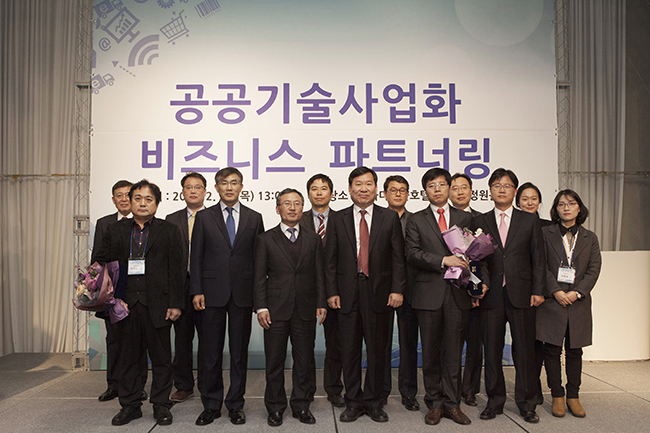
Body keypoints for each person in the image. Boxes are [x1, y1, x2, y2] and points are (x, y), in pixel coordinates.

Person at [95, 179, 185, 426]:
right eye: (137, 198)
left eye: (148, 199)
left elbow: (177, 269)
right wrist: (113, 298)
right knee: (129, 359)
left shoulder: (168, 230)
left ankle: (161, 404)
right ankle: (130, 405)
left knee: (161, 359)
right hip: (124, 305)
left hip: (159, 305)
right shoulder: (115, 230)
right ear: (130, 201)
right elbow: (101, 264)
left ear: (157, 203)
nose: (142, 203)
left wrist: (175, 303)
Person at [325, 166, 405, 423]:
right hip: (347, 292)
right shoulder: (337, 218)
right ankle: (353, 401)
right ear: (349, 189)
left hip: (379, 292)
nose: (363, 189)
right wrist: (332, 291)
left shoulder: (389, 217)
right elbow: (330, 260)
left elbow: (398, 258)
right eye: (358, 184)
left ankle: (373, 401)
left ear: (376, 189)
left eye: (368, 184)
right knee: (349, 350)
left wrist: (397, 289)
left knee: (378, 349)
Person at [190, 167, 264, 426]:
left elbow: (259, 260)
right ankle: (211, 405)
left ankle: (235, 404)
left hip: (243, 294)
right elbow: (196, 257)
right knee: (210, 353)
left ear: (242, 187)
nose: (229, 187)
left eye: (234, 183)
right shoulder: (204, 217)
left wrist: (258, 296)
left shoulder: (254, 218)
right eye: (224, 183)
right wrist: (196, 290)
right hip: (211, 294)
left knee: (239, 354)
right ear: (216, 187)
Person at [471, 168, 546, 424]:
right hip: (490, 295)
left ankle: (527, 403)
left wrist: (538, 290)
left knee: (524, 351)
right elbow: (476, 261)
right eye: (497, 185)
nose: (502, 189)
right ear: (490, 190)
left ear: (515, 191)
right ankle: (494, 401)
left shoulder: (529, 220)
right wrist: (477, 288)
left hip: (522, 294)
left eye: (507, 185)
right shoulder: (479, 221)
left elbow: (538, 258)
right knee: (491, 351)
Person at [405, 168, 474, 425]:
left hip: (457, 294)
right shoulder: (416, 219)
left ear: (449, 187)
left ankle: (452, 404)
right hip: (428, 294)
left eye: (442, 184)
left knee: (454, 352)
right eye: (431, 185)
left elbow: (475, 253)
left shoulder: (465, 217)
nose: (437, 189)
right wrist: (444, 260)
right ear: (425, 190)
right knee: (431, 352)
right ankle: (434, 403)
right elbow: (412, 253)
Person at [254, 188, 327, 427]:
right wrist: (261, 307)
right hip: (274, 310)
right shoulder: (265, 239)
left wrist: (321, 302)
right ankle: (275, 408)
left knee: (304, 361)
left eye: (297, 203)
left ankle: (301, 406)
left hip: (305, 308)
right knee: (274, 362)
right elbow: (258, 276)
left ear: (302, 208)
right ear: (278, 209)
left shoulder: (313, 239)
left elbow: (319, 274)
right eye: (287, 203)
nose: (292, 207)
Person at [537, 190, 601, 418]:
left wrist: (577, 292)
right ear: (555, 209)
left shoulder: (590, 237)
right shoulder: (545, 234)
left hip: (578, 303)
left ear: (579, 208)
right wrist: (555, 290)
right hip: (552, 301)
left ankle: (573, 396)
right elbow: (540, 265)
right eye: (561, 204)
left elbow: (594, 269)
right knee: (552, 350)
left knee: (575, 351)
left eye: (571, 203)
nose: (566, 208)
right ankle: (557, 395)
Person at [91, 180, 148, 403]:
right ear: (113, 199)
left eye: (127, 195)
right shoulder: (105, 224)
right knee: (114, 339)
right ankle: (113, 385)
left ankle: (138, 386)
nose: (124, 199)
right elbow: (98, 259)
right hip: (113, 293)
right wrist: (101, 292)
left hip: (138, 291)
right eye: (119, 195)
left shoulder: (145, 222)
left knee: (138, 341)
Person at [299, 173, 344, 408]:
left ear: (332, 193)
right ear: (308, 193)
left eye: (323, 188)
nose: (319, 192)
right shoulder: (298, 219)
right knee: (304, 344)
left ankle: (334, 389)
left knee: (335, 343)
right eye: (314, 189)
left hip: (335, 291)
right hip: (305, 291)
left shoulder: (343, 219)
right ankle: (306, 389)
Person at [165, 172, 207, 403]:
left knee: (208, 339)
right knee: (182, 339)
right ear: (182, 192)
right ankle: (183, 385)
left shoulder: (213, 217)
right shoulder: (171, 219)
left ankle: (207, 384)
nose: (193, 191)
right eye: (188, 187)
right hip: (180, 285)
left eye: (197, 187)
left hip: (207, 286)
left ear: (205, 192)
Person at [383, 175, 419, 412]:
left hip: (412, 290)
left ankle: (408, 392)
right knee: (382, 343)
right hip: (382, 290)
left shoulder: (417, 220)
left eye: (402, 190)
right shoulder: (377, 218)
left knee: (408, 343)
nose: (397, 194)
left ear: (408, 194)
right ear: (384, 193)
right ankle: (381, 390)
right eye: (393, 190)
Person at [516, 181, 552, 406]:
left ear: (539, 201)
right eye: (525, 199)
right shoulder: (514, 224)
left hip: (542, 293)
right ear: (517, 201)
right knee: (526, 343)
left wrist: (542, 289)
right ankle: (531, 388)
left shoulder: (548, 227)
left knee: (538, 344)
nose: (529, 203)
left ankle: (535, 387)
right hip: (520, 293)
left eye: (534, 199)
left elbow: (545, 262)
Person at [449, 173, 483, 407]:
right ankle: (448, 389)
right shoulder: (443, 220)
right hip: (450, 291)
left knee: (474, 342)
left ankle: (470, 389)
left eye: (464, 187)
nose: (460, 192)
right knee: (450, 345)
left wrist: (478, 287)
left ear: (472, 191)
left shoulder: (481, 220)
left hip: (475, 292)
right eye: (455, 188)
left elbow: (485, 258)